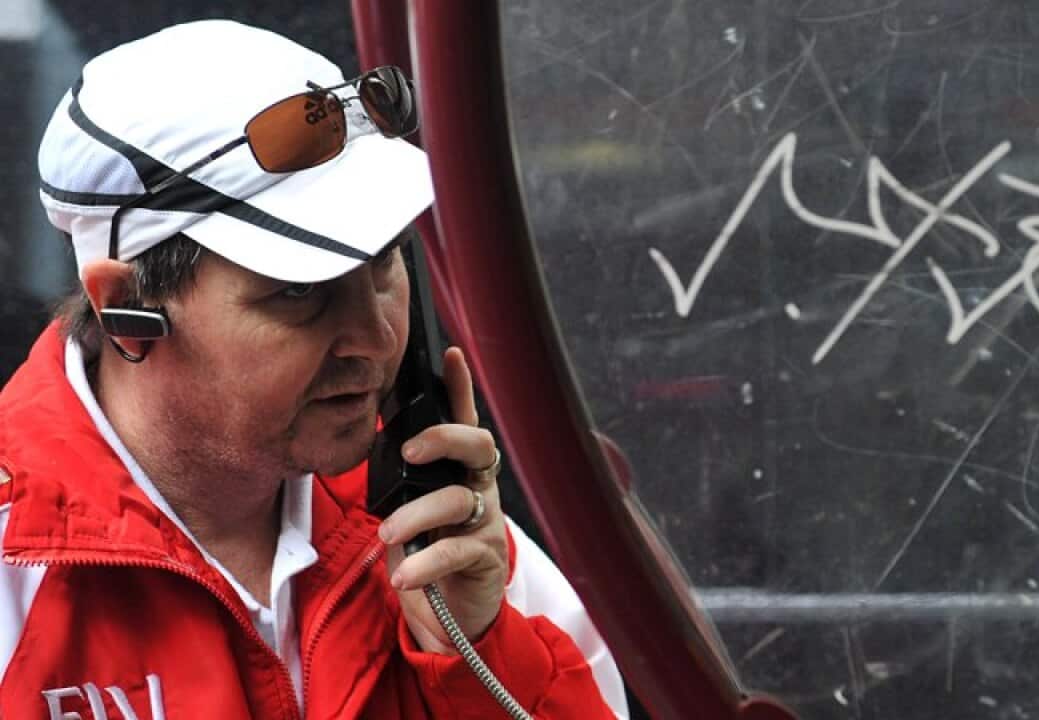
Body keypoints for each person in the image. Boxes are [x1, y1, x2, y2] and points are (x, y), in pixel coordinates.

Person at [0, 19, 627, 719]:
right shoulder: (17, 574)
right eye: (298, 291)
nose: (374, 336)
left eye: (385, 259)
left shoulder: (443, 540)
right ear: (124, 307)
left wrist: (480, 652)